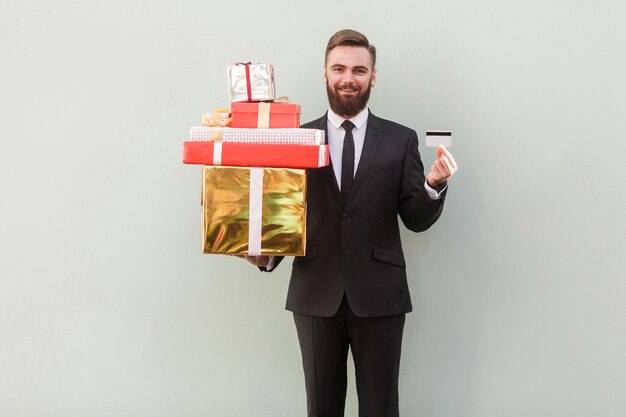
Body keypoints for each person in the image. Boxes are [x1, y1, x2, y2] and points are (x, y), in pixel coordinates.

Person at [243, 29, 458, 417]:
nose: (348, 77)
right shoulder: (296, 138)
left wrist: (432, 185)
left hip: (380, 297)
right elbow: (284, 213)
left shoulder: (400, 139)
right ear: (324, 74)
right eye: (339, 68)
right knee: (322, 408)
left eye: (359, 70)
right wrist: (265, 257)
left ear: (373, 77)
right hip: (315, 293)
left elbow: (415, 219)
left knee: (380, 408)